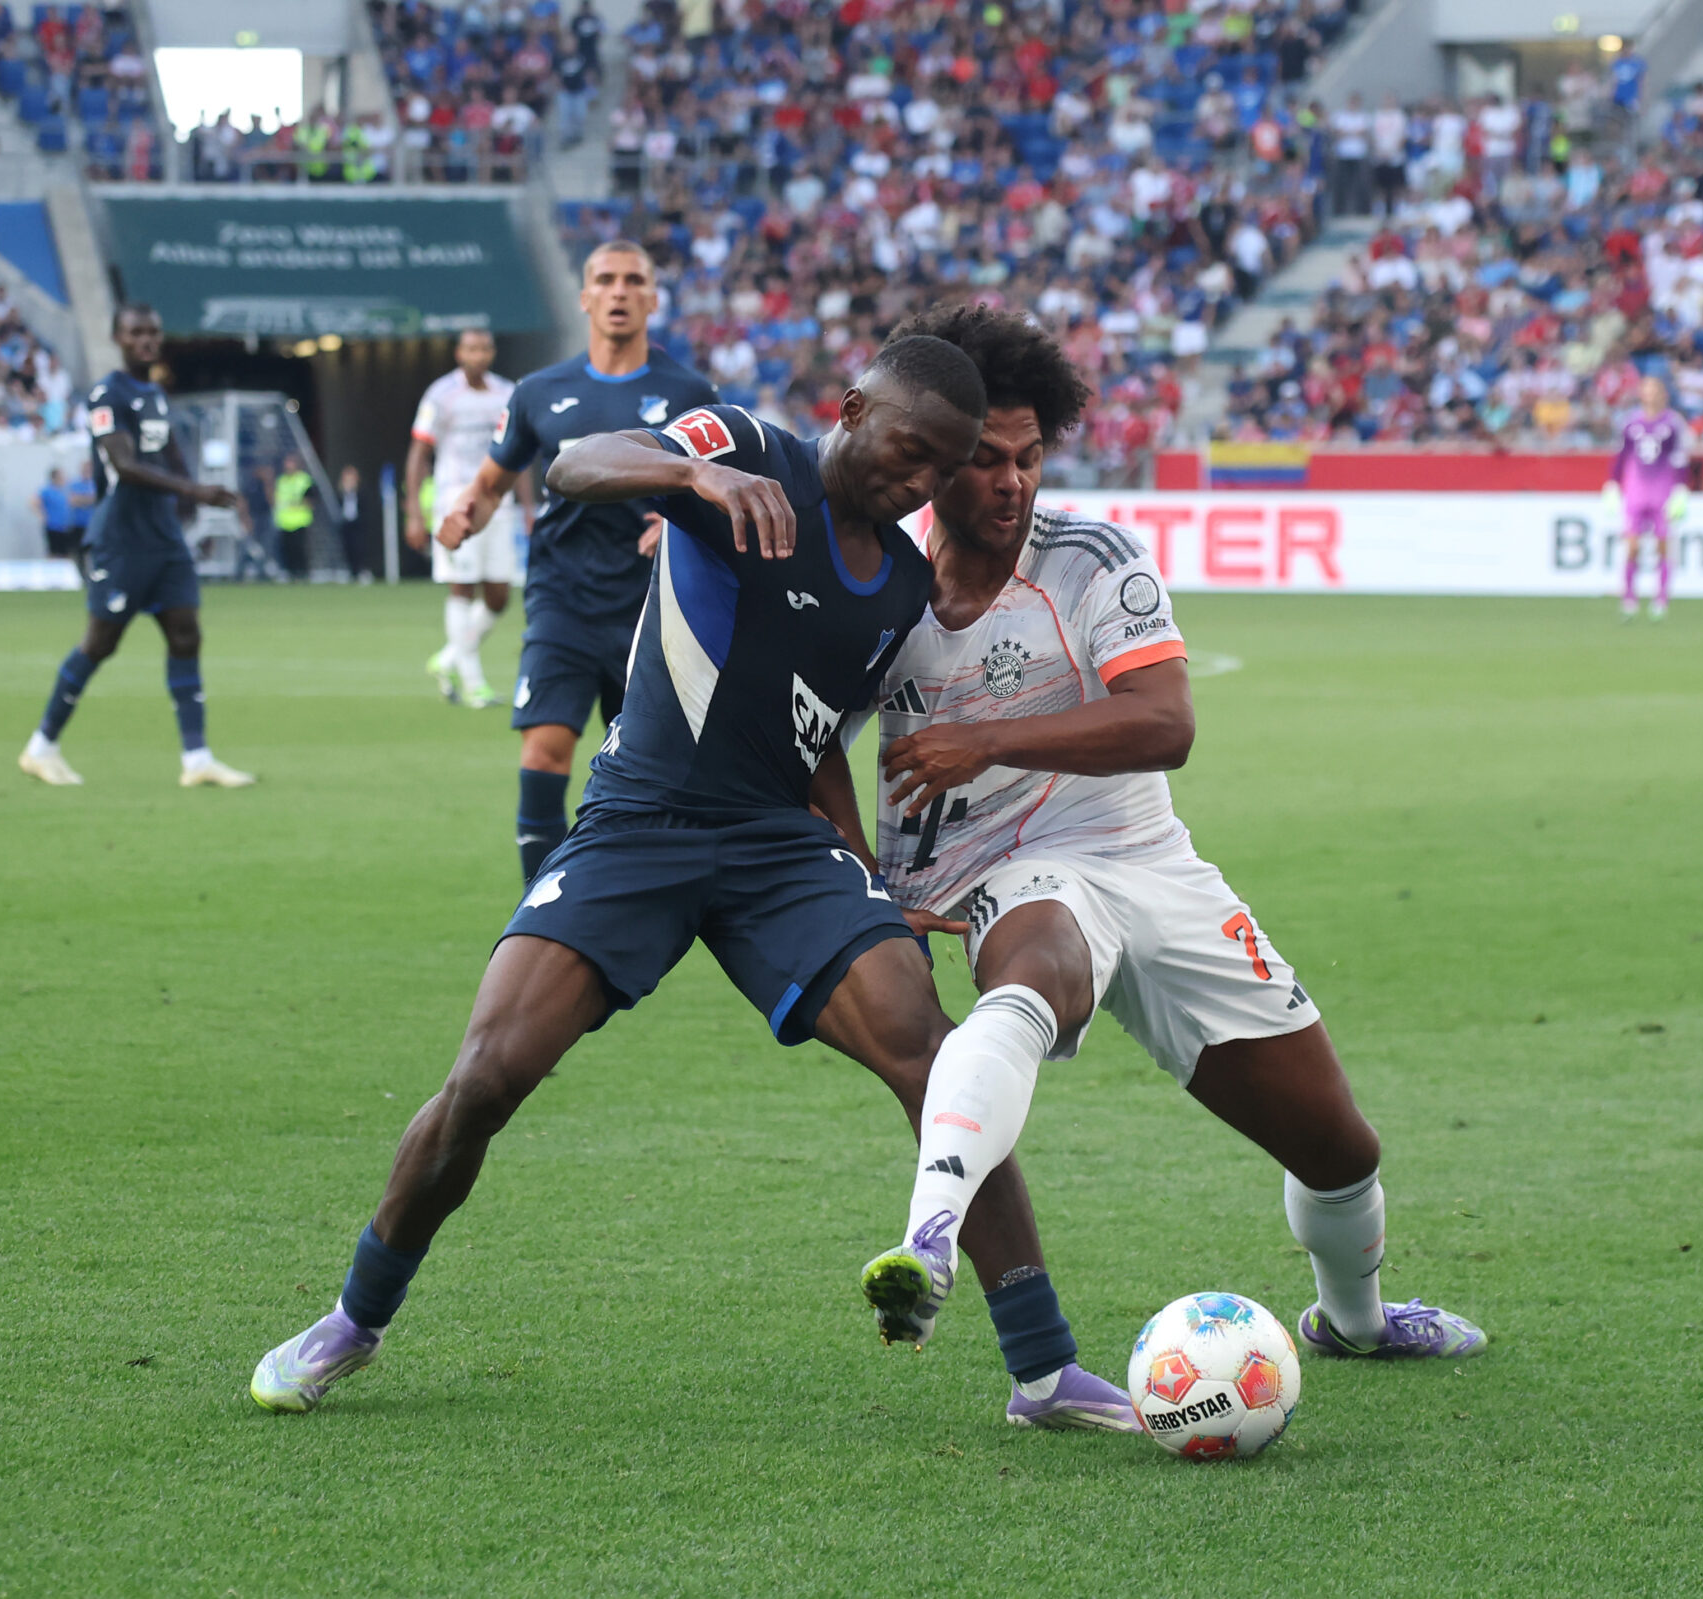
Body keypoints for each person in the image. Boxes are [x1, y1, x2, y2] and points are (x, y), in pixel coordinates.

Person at [251, 338, 1139, 1430]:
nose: (920, 483)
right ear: (853, 408)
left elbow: (820, 732)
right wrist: (692, 476)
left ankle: (1042, 1370)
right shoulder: (744, 447)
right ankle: (354, 1319)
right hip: (641, 822)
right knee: (487, 1075)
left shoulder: (900, 585)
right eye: (910, 452)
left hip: (777, 848)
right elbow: (576, 461)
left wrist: (862, 873)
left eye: (940, 470)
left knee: (933, 1050)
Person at [854, 304, 1489, 1367]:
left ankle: (1356, 1321)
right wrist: (867, 888)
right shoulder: (879, 584)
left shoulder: (1090, 557)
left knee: (1338, 1149)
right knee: (1034, 976)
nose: (1012, 483)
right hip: (1014, 877)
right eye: (986, 461)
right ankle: (929, 1237)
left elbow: (1165, 724)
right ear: (937, 458)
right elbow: (808, 741)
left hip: (1151, 864)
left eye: (1029, 458)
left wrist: (985, 740)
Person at [436, 241, 718, 880]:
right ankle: (540, 907)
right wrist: (465, 513)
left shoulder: (690, 392)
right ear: (585, 297)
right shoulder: (540, 391)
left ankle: (636, 898)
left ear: (652, 299)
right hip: (561, 600)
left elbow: (718, 487)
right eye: (606, 280)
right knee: (544, 752)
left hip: (653, 612)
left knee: (653, 774)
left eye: (633, 280)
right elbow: (490, 484)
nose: (619, 291)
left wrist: (679, 522)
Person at [18, 304, 256, 789]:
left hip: (163, 538)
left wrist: (190, 499)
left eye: (153, 332)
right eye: (136, 333)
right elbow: (124, 465)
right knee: (100, 643)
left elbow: (167, 452)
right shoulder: (107, 394)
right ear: (118, 339)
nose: (147, 340)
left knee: (186, 633)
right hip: (122, 539)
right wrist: (193, 491)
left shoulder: (154, 394)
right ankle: (41, 748)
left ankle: (197, 759)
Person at [404, 329, 524, 707]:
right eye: (471, 348)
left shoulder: (506, 393)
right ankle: (473, 685)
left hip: (499, 502)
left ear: (492, 352)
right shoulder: (441, 394)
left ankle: (448, 659)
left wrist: (528, 506)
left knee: (499, 596)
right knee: (462, 588)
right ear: (459, 353)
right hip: (456, 503)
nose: (478, 355)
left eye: (485, 348)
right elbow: (418, 453)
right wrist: (414, 511)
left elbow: (519, 454)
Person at [1607, 374, 1688, 622]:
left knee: (1662, 545)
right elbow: (1621, 455)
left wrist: (1681, 489)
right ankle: (1629, 597)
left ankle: (1661, 597)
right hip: (1636, 490)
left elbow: (1680, 458)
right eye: (1646, 389)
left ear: (1663, 394)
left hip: (1662, 491)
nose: (1650, 394)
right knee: (1631, 545)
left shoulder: (1673, 423)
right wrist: (1612, 483)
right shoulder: (1630, 422)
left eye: (1654, 389)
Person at [269, 452, 315, 578]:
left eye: (290, 463)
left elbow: (310, 500)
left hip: (300, 520)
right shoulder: (281, 480)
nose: (288, 466)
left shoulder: (304, 479)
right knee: (287, 549)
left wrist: (295, 504)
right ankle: (290, 573)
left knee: (300, 549)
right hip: (285, 521)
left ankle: (303, 574)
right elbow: (276, 500)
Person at [38, 462, 83, 573]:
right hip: (53, 526)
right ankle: (50, 574)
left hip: (66, 526)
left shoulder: (65, 490)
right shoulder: (47, 490)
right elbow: (33, 502)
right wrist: (43, 515)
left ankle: (64, 575)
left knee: (66, 553)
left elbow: (74, 502)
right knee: (54, 553)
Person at [336, 463, 376, 581]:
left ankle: (361, 570)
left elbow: (366, 507)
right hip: (345, 524)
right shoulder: (340, 493)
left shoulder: (362, 492)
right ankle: (350, 571)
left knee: (359, 548)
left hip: (358, 525)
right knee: (347, 548)